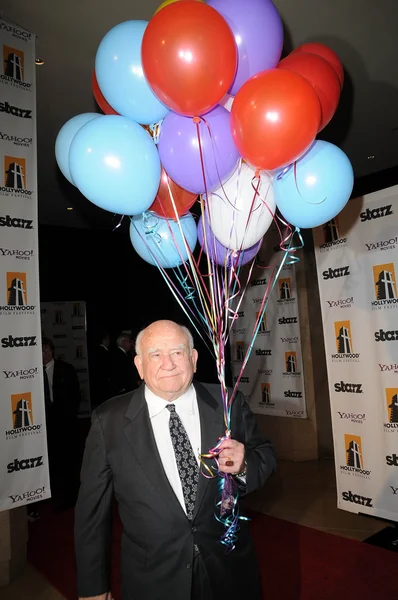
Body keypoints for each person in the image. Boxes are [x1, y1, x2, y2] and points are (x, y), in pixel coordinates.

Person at [75, 320, 276, 600]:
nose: (168, 363)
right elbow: (92, 513)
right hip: (153, 580)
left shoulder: (228, 404)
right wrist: (92, 586)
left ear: (193, 359)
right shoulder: (107, 422)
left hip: (227, 570)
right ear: (139, 365)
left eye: (178, 352)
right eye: (155, 354)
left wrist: (244, 467)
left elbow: (265, 455)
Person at [42, 337, 81, 509]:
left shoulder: (66, 369)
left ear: (52, 351)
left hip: (65, 423)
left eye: (47, 350)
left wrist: (69, 417)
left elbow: (76, 395)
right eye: (41, 351)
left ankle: (71, 494)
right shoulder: (31, 372)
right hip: (43, 425)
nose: (44, 354)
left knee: (68, 459)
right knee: (51, 460)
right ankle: (52, 493)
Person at [92, 331, 111, 407]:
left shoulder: (96, 351)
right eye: (108, 339)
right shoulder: (105, 353)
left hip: (97, 382)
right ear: (104, 340)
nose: (109, 341)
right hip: (104, 383)